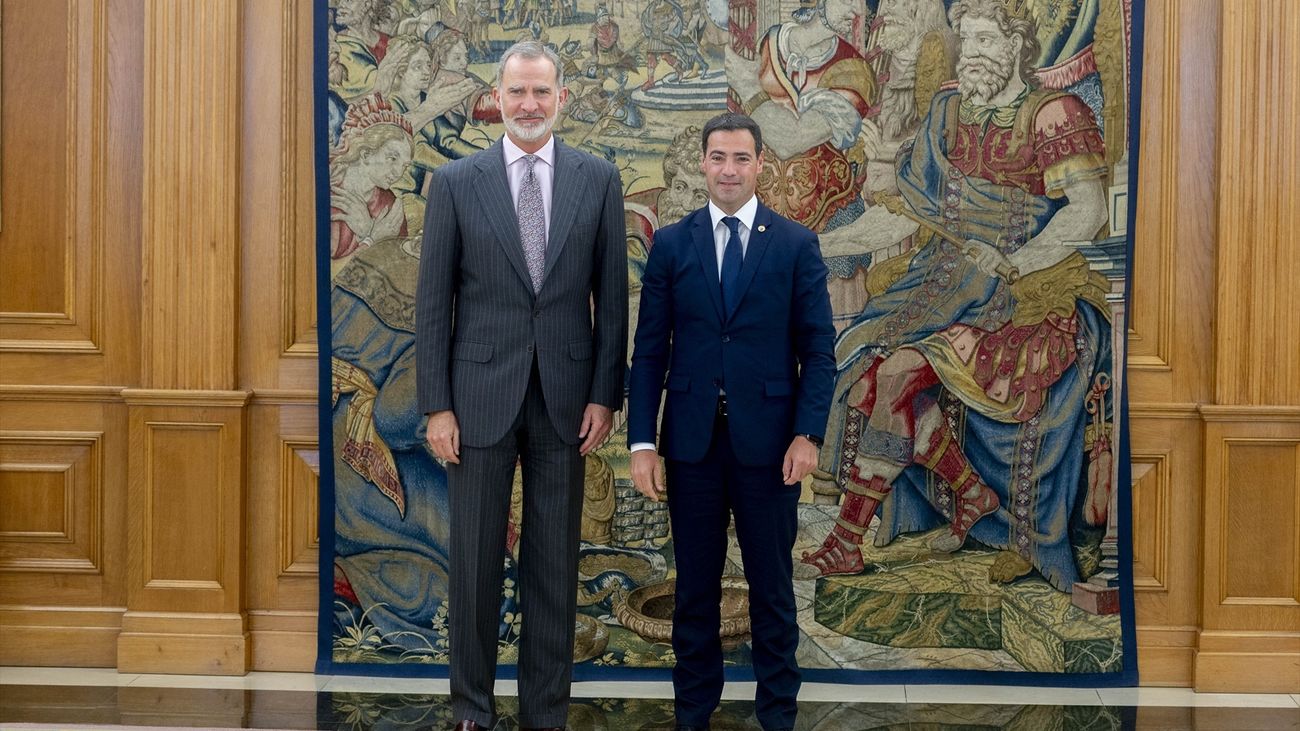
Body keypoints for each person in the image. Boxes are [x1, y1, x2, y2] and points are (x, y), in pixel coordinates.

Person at [799, 0, 1112, 591]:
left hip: (1019, 291)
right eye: (967, 42)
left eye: (987, 42)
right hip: (941, 282)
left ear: (1017, 46)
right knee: (864, 371)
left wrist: (1017, 260)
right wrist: (817, 242)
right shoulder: (946, 111)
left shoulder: (1052, 113)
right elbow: (905, 213)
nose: (973, 55)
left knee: (895, 376)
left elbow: (1089, 210)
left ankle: (846, 542)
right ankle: (970, 494)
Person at [415, 40, 628, 731]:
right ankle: (471, 708)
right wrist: (437, 405)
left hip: (567, 400)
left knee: (553, 565)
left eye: (541, 92)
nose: (529, 104)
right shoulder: (456, 183)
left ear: (561, 98)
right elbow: (433, 303)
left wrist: (605, 394)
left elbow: (613, 300)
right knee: (475, 562)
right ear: (497, 99)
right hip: (477, 399)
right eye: (517, 92)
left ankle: (545, 710)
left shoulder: (598, 179)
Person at [626, 112, 835, 731]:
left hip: (771, 448)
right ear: (703, 163)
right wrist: (641, 443)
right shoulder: (671, 244)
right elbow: (650, 352)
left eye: (741, 158)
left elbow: (819, 350)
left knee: (773, 589)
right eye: (718, 157)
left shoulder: (795, 244)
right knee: (694, 590)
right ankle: (693, 714)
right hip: (690, 447)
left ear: (760, 164)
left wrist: (808, 434)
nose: (728, 169)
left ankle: (778, 715)